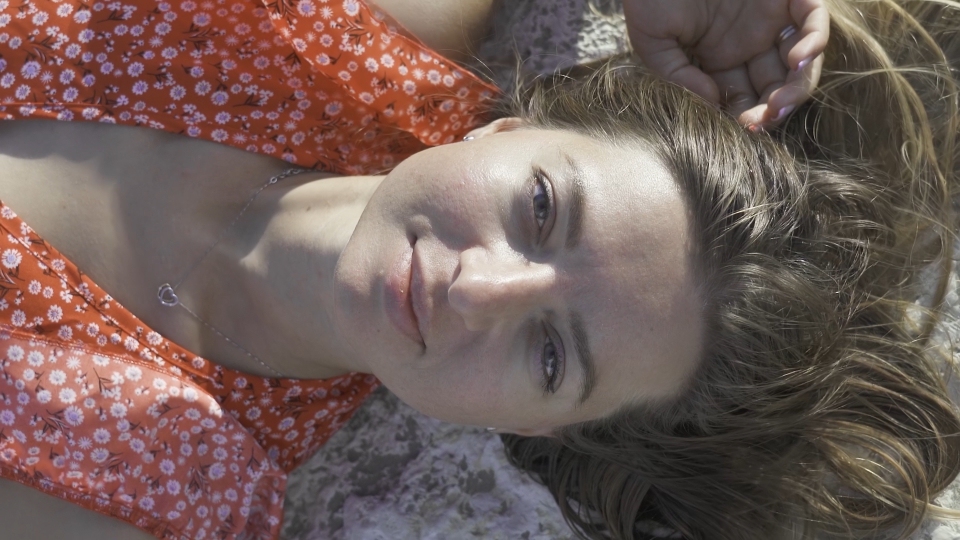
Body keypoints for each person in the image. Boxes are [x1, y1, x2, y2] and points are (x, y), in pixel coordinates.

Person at [0, 2, 956, 540]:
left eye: (550, 355)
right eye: (542, 209)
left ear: (529, 429)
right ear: (514, 127)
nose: (483, 288)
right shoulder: (337, 36)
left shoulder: (148, 484)